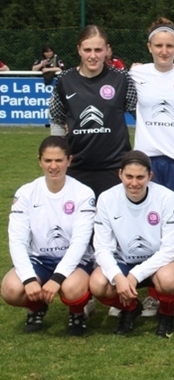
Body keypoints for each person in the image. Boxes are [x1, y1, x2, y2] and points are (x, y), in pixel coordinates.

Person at [120, 17, 174, 319]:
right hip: (148, 162)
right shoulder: (136, 75)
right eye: (159, 46)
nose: (164, 51)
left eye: (170, 46)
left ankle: (171, 293)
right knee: (151, 225)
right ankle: (154, 293)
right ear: (149, 47)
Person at [1, 136, 95, 336]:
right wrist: (28, 279)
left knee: (71, 288)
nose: (53, 166)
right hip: (40, 260)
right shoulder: (26, 193)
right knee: (10, 290)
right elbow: (17, 240)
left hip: (75, 261)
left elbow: (80, 241)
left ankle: (77, 312)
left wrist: (58, 278)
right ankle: (37, 307)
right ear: (40, 161)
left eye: (59, 160)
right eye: (48, 161)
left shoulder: (83, 193)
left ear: (69, 161)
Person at [90, 151, 174, 338]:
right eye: (129, 176)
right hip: (124, 259)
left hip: (162, 261)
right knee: (98, 284)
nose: (134, 183)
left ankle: (166, 315)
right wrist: (119, 277)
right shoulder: (107, 199)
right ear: (120, 175)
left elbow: (169, 249)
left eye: (140, 177)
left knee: (168, 280)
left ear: (150, 176)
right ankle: (130, 309)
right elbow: (102, 248)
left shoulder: (166, 197)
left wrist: (134, 275)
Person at [49, 25, 137, 199]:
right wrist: (59, 156)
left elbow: (139, 115)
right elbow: (57, 118)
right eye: (87, 50)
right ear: (79, 50)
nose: (93, 56)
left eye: (98, 50)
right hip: (77, 168)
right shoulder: (65, 79)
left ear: (107, 50)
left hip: (115, 168)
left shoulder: (121, 78)